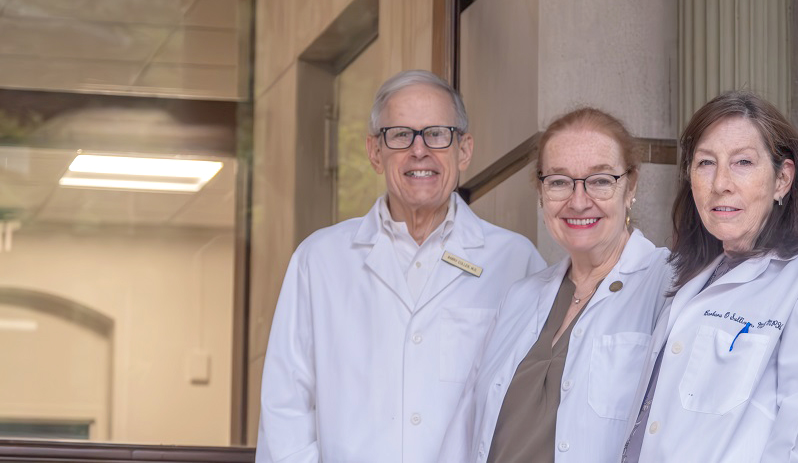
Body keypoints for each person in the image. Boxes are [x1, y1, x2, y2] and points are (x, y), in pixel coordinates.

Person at [255, 70, 546, 463]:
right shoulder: (319, 260)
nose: (419, 150)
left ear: (464, 150)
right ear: (376, 152)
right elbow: (285, 404)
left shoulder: (515, 261)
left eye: (437, 134)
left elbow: (532, 409)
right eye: (400, 135)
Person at [621, 91, 798, 463]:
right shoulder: (689, 272)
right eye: (705, 163)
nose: (720, 182)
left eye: (743, 162)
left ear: (782, 179)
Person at [440, 107, 672, 463]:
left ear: (631, 187)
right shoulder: (521, 296)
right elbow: (470, 431)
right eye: (559, 182)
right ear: (541, 192)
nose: (578, 202)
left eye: (599, 180)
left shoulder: (667, 284)